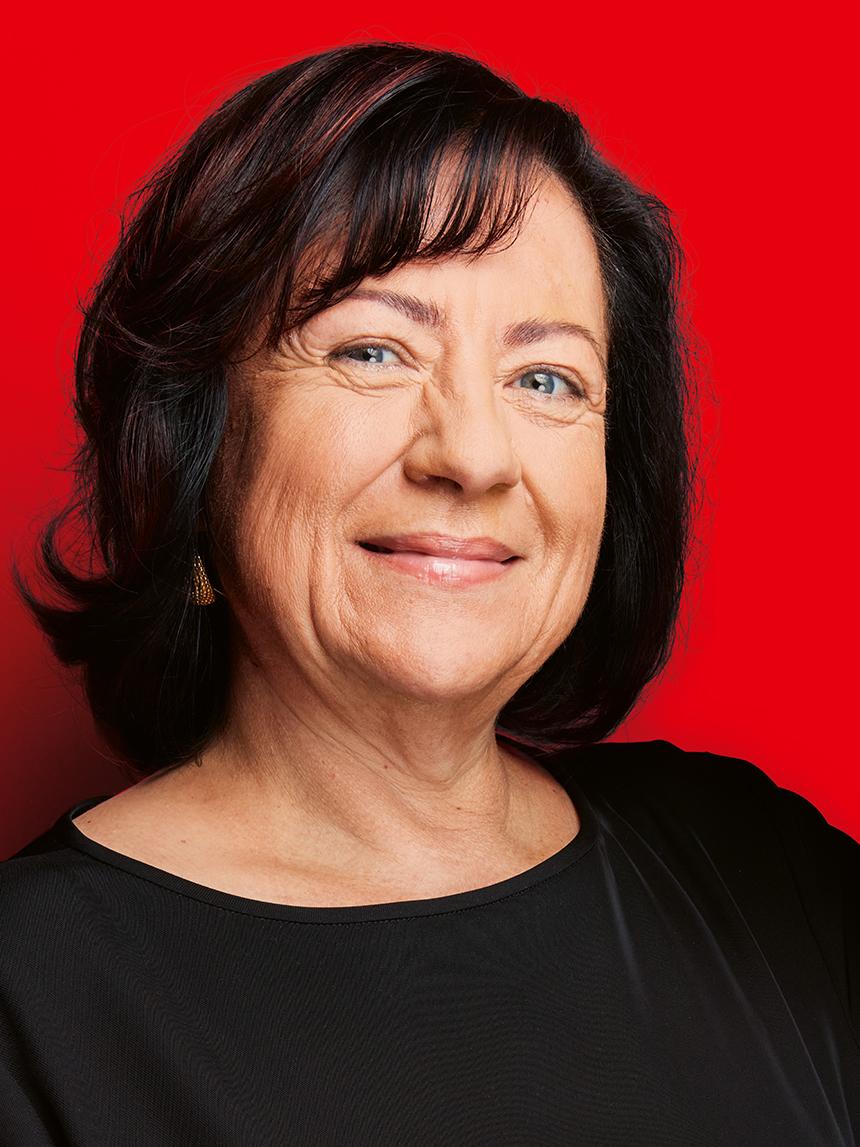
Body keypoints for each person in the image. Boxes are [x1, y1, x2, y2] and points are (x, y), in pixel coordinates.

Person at [1, 40, 857, 1146]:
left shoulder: (761, 869)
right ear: (199, 439)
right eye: (370, 352)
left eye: (544, 378)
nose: (471, 453)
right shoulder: (32, 1003)